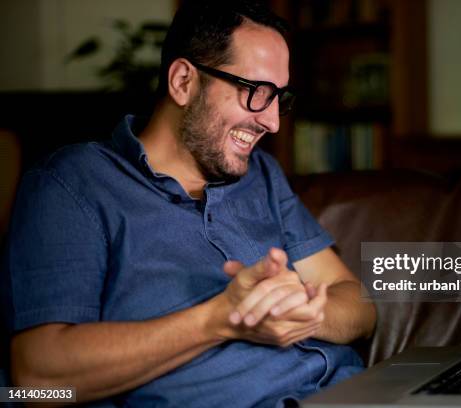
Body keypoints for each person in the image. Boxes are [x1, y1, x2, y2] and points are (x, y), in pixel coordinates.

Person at [1, 1, 376, 406]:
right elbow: (36, 377)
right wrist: (222, 319)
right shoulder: (73, 183)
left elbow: (359, 304)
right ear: (183, 81)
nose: (272, 122)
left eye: (278, 98)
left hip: (354, 392)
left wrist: (299, 312)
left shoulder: (262, 176)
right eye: (256, 93)